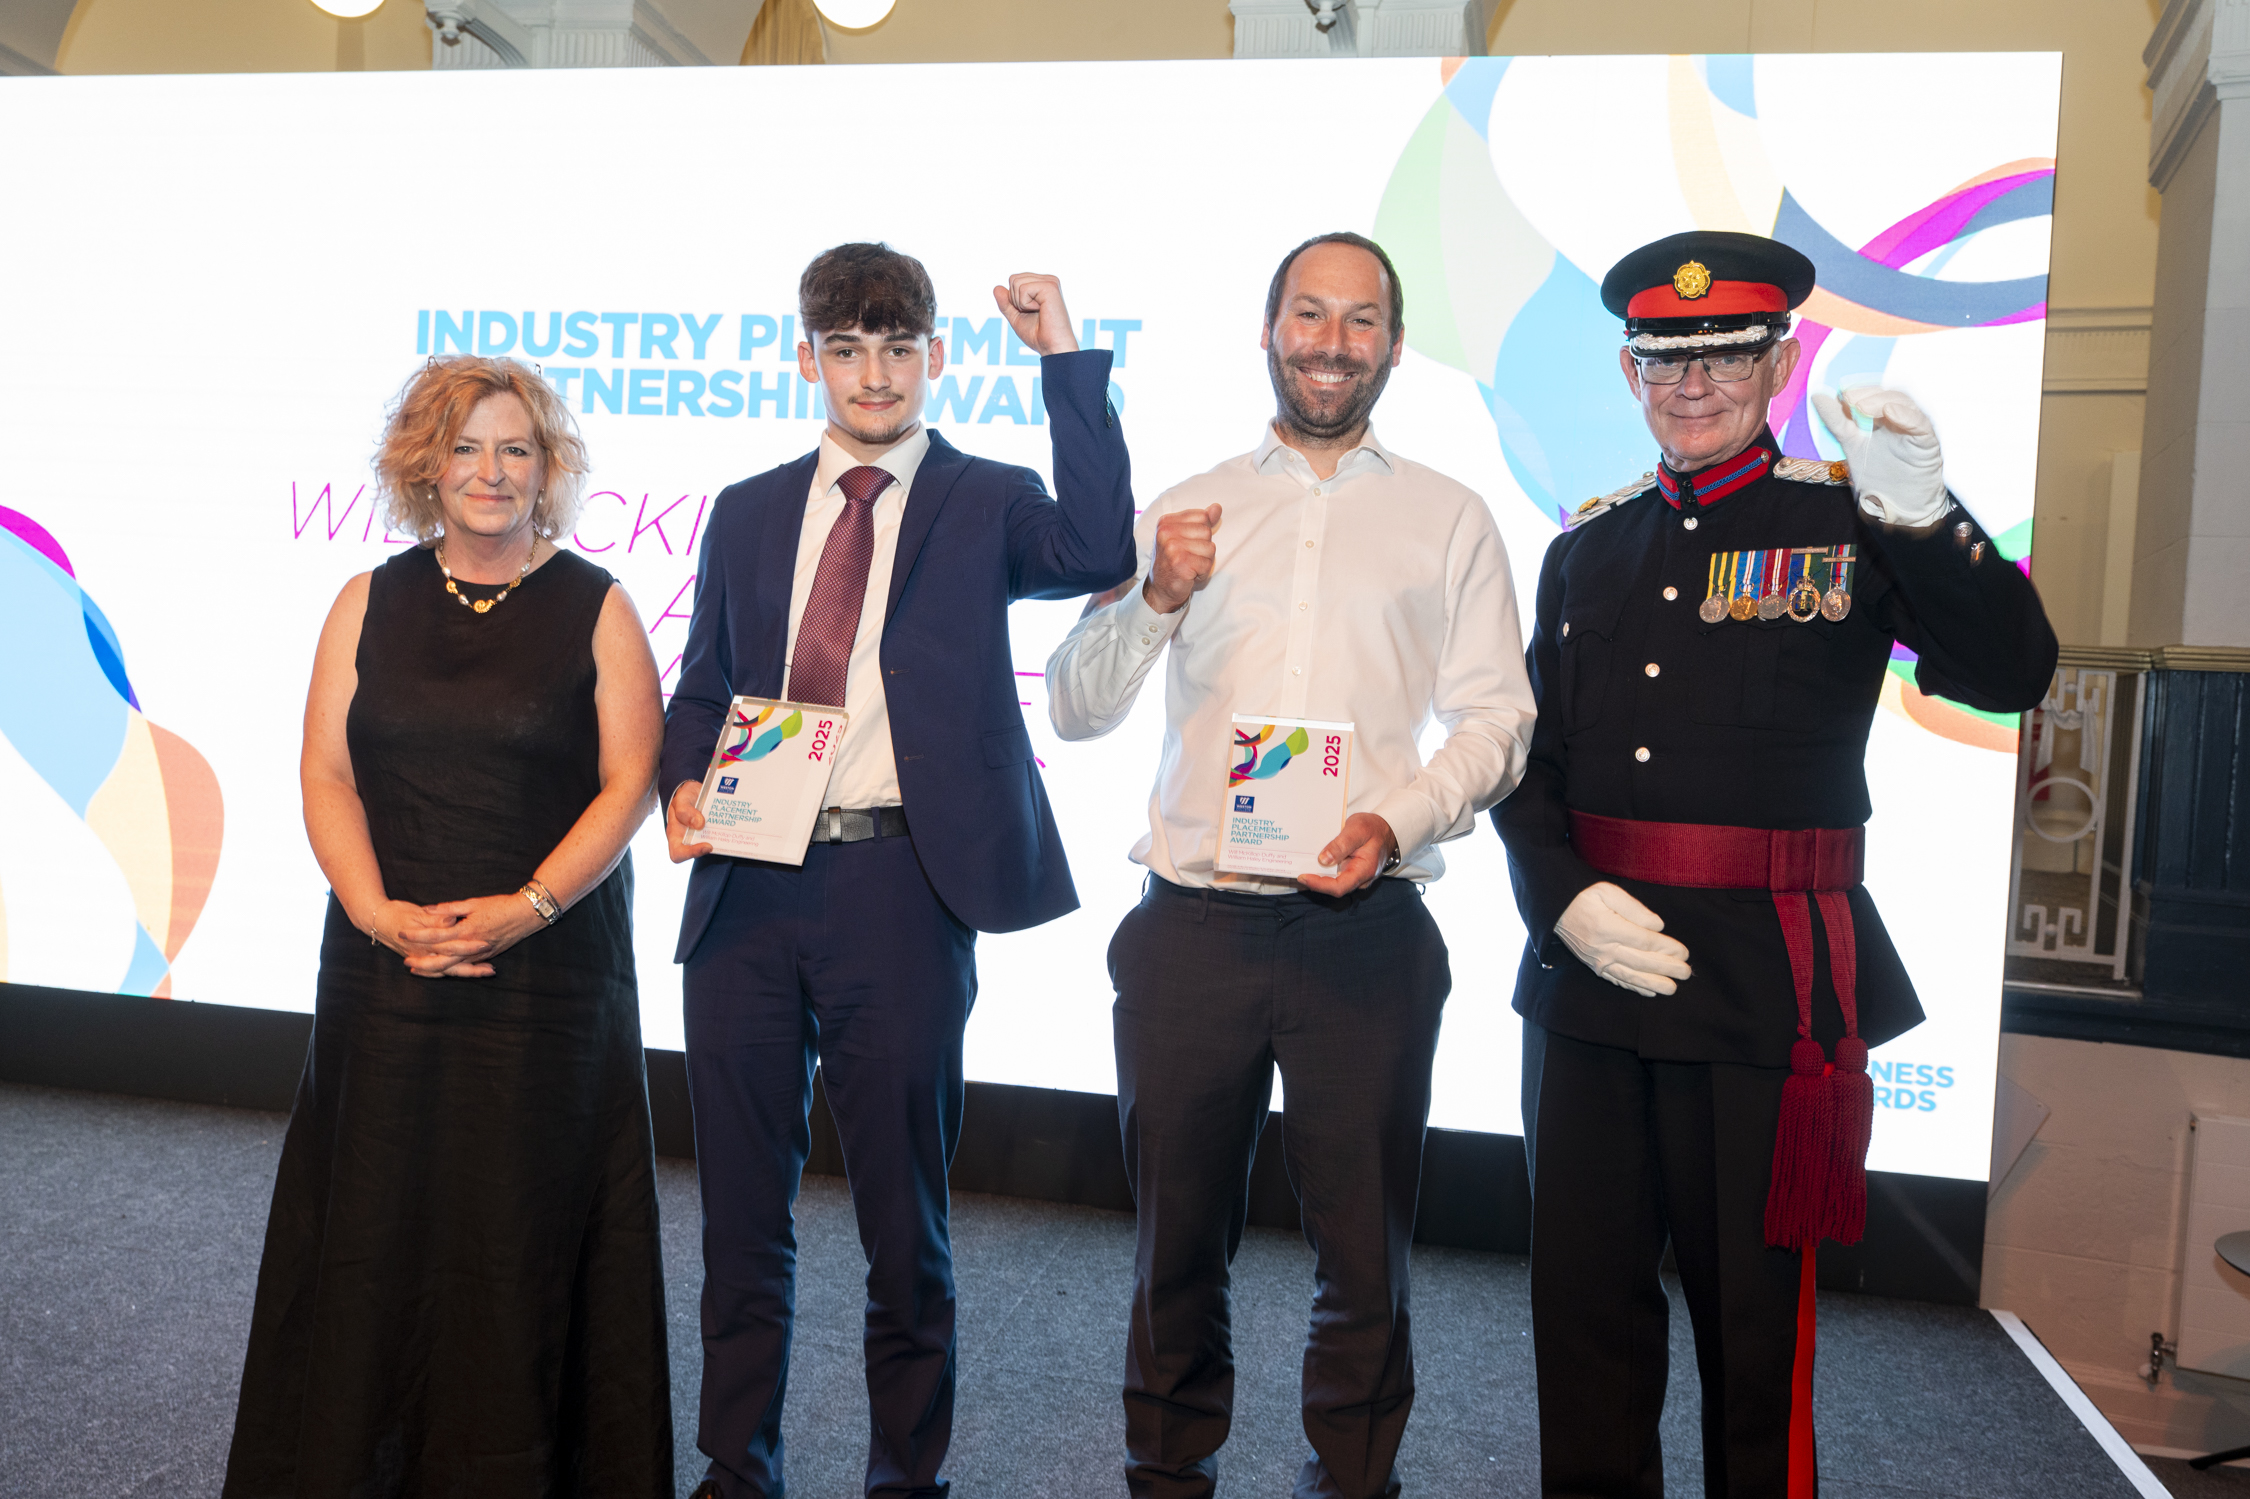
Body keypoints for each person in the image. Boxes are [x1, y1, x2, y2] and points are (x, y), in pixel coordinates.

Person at [1494, 230, 2058, 1498]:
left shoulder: (1848, 521)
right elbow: (1532, 760)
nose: (1693, 387)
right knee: (1581, 1320)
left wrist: (1923, 511)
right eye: (1663, 361)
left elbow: (2011, 671)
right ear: (1630, 372)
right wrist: (1561, 894)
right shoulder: (1588, 546)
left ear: (1780, 360)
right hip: (1587, 988)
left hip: (1764, 992)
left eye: (1726, 358)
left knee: (1754, 1337)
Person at [1046, 231, 1536, 1499]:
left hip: (1364, 933)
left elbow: (1498, 720)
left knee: (1365, 1251)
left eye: (1359, 320)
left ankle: (1353, 1476)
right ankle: (1167, 1469)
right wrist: (1155, 594)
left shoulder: (1450, 517)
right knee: (1174, 1248)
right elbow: (1076, 707)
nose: (1332, 341)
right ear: (1267, 331)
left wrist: (1401, 817)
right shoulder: (1190, 502)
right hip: (1193, 931)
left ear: (1393, 343)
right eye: (1309, 315)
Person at [659, 242, 1136, 1499]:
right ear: (807, 357)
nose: (874, 372)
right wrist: (677, 783)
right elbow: (704, 683)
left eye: (898, 345)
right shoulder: (751, 507)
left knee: (902, 1226)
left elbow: (1097, 545)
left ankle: (903, 1475)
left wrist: (1064, 358)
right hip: (748, 891)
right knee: (740, 1215)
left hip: (901, 893)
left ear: (933, 355)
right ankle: (734, 1463)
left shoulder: (986, 499)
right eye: (848, 347)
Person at [223, 356, 671, 1496]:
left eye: (516, 448)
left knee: (525, 1238)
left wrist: (524, 911)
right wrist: (375, 913)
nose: (491, 470)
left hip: (549, 984)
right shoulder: (366, 600)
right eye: (466, 447)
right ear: (426, 466)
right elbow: (327, 772)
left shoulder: (600, 605)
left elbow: (629, 785)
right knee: (377, 1231)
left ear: (548, 469)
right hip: (387, 973)